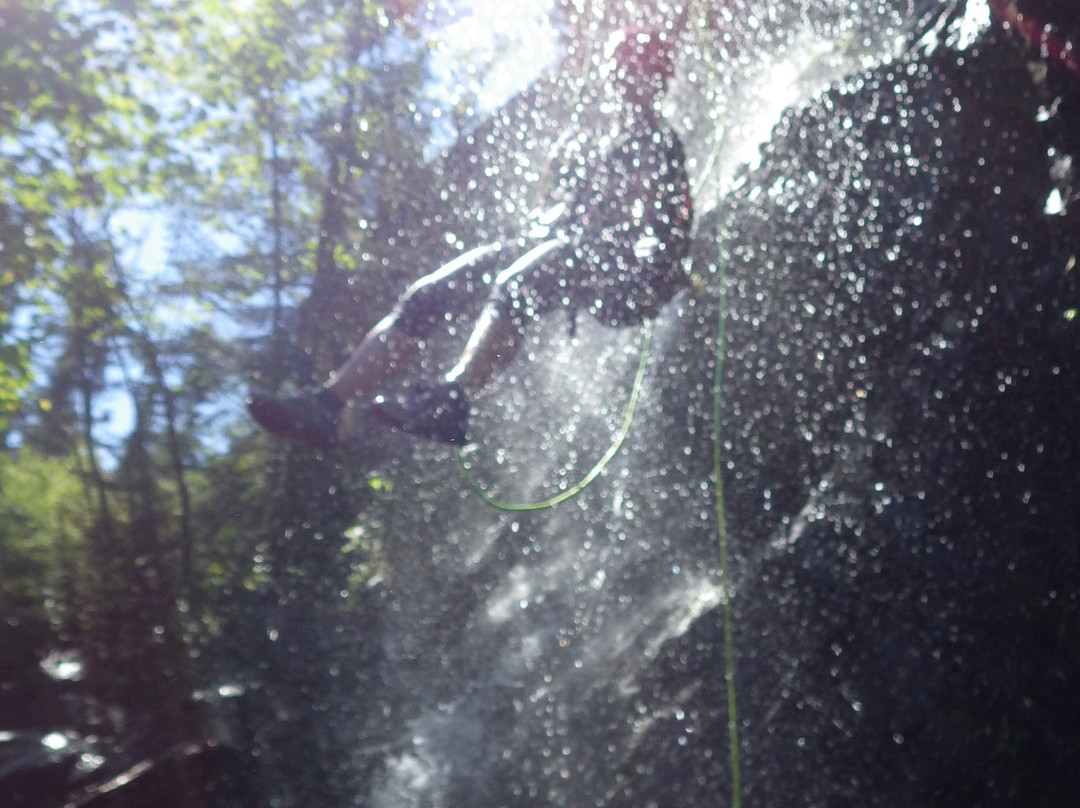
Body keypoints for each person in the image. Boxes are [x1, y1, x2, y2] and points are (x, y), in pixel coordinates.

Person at [247, 26, 693, 449]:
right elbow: (552, 207)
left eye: (631, 66)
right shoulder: (587, 140)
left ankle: (452, 400)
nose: (619, 76)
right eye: (616, 66)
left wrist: (652, 272)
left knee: (517, 283)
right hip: (555, 244)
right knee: (428, 294)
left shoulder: (659, 140)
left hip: (611, 259)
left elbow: (668, 223)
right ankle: (327, 404)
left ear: (656, 76)